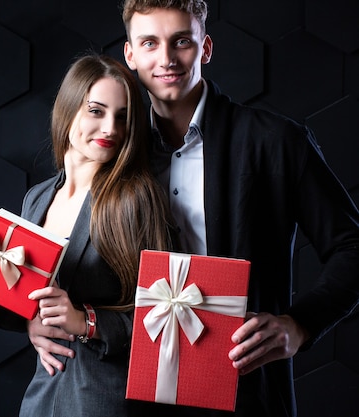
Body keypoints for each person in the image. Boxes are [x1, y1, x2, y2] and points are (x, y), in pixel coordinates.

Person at [113, 0, 359, 416]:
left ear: (205, 48)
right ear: (130, 54)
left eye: (182, 42)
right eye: (150, 43)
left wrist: (299, 325)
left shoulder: (276, 140)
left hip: (246, 391)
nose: (167, 59)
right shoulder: (117, 151)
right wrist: (35, 320)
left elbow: (352, 246)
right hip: (131, 392)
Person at [0, 54, 176, 416]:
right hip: (44, 395)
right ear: (69, 109)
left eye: (122, 117)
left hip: (107, 399)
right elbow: (28, 300)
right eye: (96, 110)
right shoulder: (38, 197)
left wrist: (85, 321)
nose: (110, 129)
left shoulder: (135, 198)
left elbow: (168, 318)